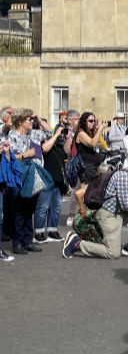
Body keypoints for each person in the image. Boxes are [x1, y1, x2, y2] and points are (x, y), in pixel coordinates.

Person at [62, 150, 128, 260]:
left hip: (120, 212)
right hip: (109, 214)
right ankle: (77, 243)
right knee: (112, 253)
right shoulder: (123, 176)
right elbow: (127, 205)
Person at [6, 108, 46, 255]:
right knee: (18, 209)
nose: (31, 121)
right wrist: (26, 155)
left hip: (31, 173)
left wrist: (38, 119)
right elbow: (8, 157)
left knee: (30, 208)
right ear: (20, 121)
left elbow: (49, 132)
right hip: (18, 174)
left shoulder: (32, 133)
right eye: (28, 119)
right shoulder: (12, 136)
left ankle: (27, 240)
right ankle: (17, 242)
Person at [33, 117, 66, 243]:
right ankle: (39, 232)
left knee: (56, 206)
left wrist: (65, 139)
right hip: (45, 176)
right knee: (43, 206)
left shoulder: (51, 139)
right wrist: (56, 134)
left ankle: (52, 230)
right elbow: (44, 149)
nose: (45, 128)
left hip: (57, 178)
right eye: (42, 125)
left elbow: (66, 151)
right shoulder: (35, 140)